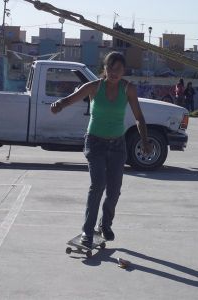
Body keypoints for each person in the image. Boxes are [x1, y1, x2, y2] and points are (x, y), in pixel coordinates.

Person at [51, 52, 152, 248]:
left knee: (114, 191)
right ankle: (87, 232)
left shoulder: (128, 89)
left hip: (117, 145)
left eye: (118, 69)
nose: (114, 73)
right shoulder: (94, 86)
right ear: (104, 69)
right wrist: (59, 105)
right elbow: (71, 99)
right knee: (97, 185)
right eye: (110, 68)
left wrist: (145, 140)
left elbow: (139, 117)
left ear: (124, 71)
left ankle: (105, 224)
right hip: (95, 143)